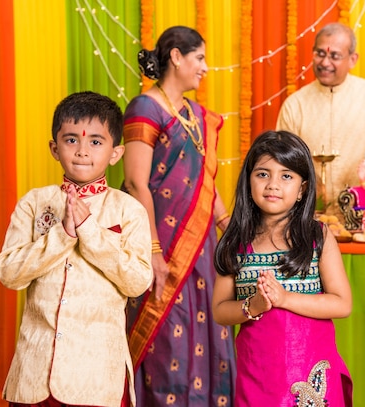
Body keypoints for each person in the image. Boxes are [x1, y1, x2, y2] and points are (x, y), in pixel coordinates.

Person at [0, 91, 153, 407]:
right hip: (35, 375)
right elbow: (8, 273)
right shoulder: (35, 204)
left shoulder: (128, 210)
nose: (82, 151)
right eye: (71, 140)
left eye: (95, 142)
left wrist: (90, 234)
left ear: (116, 152)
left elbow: (137, 282)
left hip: (97, 380)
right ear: (54, 148)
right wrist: (61, 235)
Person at [121, 26, 236, 406]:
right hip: (161, 245)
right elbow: (137, 184)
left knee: (207, 333)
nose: (205, 67)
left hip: (203, 248)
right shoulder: (146, 108)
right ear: (175, 56)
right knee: (168, 339)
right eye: (199, 57)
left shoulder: (195, 115)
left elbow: (206, 182)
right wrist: (153, 251)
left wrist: (231, 232)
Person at [212, 130, 354, 406]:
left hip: (310, 371)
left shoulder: (317, 237)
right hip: (259, 375)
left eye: (286, 176)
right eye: (263, 174)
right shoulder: (235, 242)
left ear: (302, 189)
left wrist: (285, 299)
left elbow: (342, 303)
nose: (273, 184)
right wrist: (252, 306)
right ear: (248, 181)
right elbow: (219, 310)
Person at [276, 22, 365, 215]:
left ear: (352, 59)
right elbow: (281, 164)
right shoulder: (295, 104)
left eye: (334, 56)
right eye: (320, 54)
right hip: (309, 218)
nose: (325, 63)